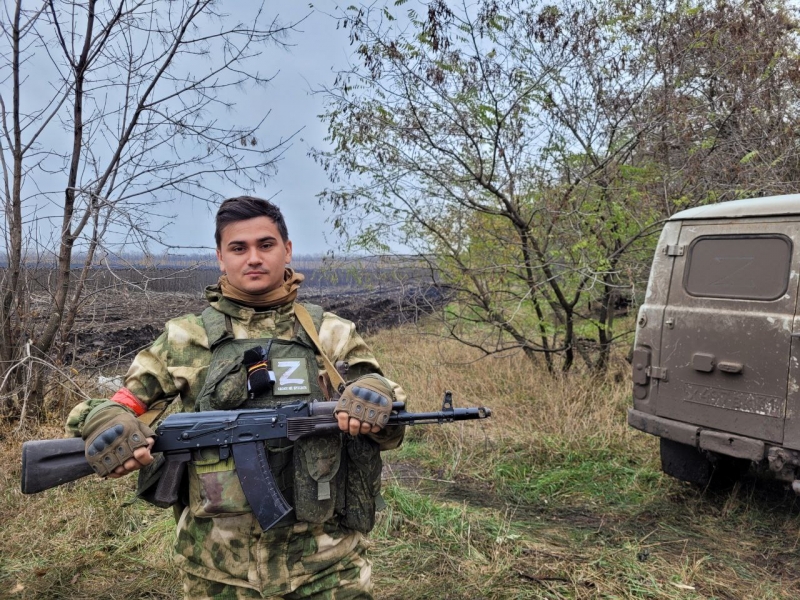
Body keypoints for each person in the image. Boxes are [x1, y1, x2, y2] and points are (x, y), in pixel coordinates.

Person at [66, 196, 406, 600]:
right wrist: (107, 422)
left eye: (266, 245)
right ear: (220, 257)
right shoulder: (185, 337)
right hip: (218, 571)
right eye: (238, 248)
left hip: (327, 565)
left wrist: (378, 396)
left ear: (288, 250)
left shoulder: (331, 333)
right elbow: (122, 404)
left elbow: (385, 407)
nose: (254, 258)